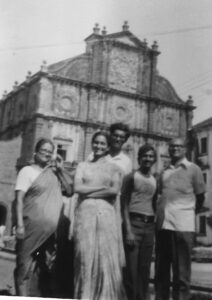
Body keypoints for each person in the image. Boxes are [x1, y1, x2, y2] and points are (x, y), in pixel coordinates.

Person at [14, 138, 73, 297]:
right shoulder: (27, 171)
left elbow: (69, 190)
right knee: (24, 267)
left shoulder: (53, 174)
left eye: (50, 151)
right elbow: (19, 199)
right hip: (30, 229)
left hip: (50, 235)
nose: (47, 153)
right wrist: (19, 225)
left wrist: (60, 170)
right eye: (43, 150)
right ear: (36, 152)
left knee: (46, 270)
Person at [73, 130, 127, 300]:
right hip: (85, 215)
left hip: (106, 216)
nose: (98, 146)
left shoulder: (115, 168)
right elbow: (77, 188)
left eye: (103, 143)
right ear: (92, 144)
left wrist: (88, 193)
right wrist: (101, 188)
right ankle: (85, 295)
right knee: (84, 254)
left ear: (108, 146)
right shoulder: (83, 166)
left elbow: (114, 191)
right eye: (96, 142)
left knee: (104, 256)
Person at [155, 137, 205, 300]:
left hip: (183, 227)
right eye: (172, 146)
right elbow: (161, 195)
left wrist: (186, 213)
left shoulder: (194, 169)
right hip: (164, 226)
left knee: (181, 274)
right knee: (161, 273)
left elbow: (200, 198)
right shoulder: (164, 172)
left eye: (178, 146)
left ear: (185, 149)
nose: (175, 149)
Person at [121, 144, 157, 300]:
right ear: (139, 158)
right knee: (131, 270)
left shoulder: (155, 180)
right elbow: (124, 204)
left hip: (149, 227)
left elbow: (154, 204)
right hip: (133, 225)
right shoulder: (131, 177)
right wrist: (128, 230)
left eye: (150, 156)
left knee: (144, 269)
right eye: (145, 156)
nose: (147, 159)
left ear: (154, 159)